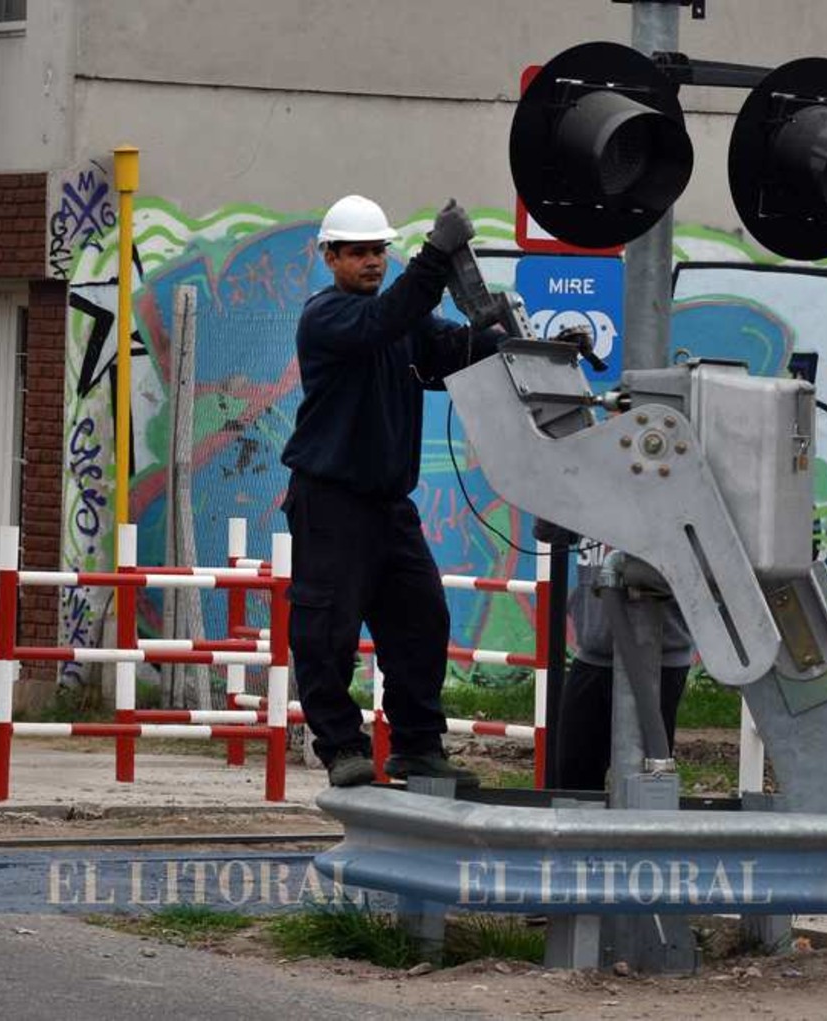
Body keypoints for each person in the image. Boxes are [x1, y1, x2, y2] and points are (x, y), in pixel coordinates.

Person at [280, 194, 505, 788]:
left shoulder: (402, 324)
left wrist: (522, 341)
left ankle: (416, 748)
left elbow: (454, 349)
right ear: (330, 257)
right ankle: (341, 748)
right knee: (326, 628)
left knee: (421, 621)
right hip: (330, 501)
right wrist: (435, 254)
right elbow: (386, 320)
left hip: (388, 506)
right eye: (357, 252)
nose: (372, 261)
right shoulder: (328, 317)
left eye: (379, 250)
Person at [536, 522, 694, 791]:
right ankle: (584, 833)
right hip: (593, 654)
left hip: (659, 658)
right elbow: (549, 531)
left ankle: (640, 832)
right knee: (573, 773)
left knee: (646, 777)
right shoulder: (592, 488)